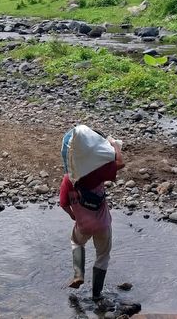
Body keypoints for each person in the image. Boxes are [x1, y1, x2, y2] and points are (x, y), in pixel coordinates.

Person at [59, 126, 125, 301]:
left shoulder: (68, 179)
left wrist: (73, 215)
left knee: (76, 242)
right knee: (102, 257)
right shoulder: (98, 172)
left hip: (83, 225)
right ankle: (96, 295)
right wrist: (114, 145)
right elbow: (120, 163)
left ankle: (78, 274)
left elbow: (63, 204)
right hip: (103, 225)